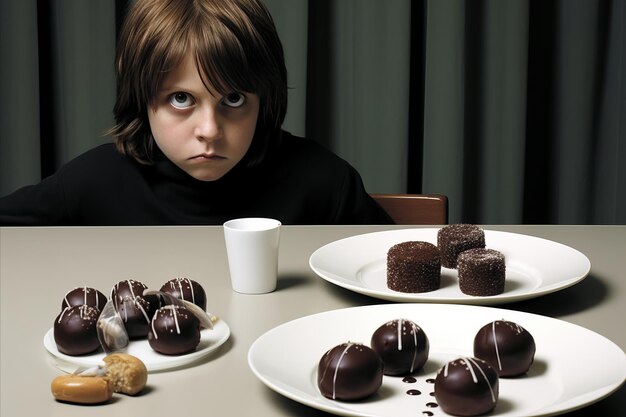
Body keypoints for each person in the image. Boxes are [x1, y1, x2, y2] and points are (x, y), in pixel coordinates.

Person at [0, 0, 392, 226]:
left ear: (264, 99)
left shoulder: (324, 182)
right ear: (142, 96)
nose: (209, 130)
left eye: (234, 99)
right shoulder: (91, 182)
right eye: (181, 99)